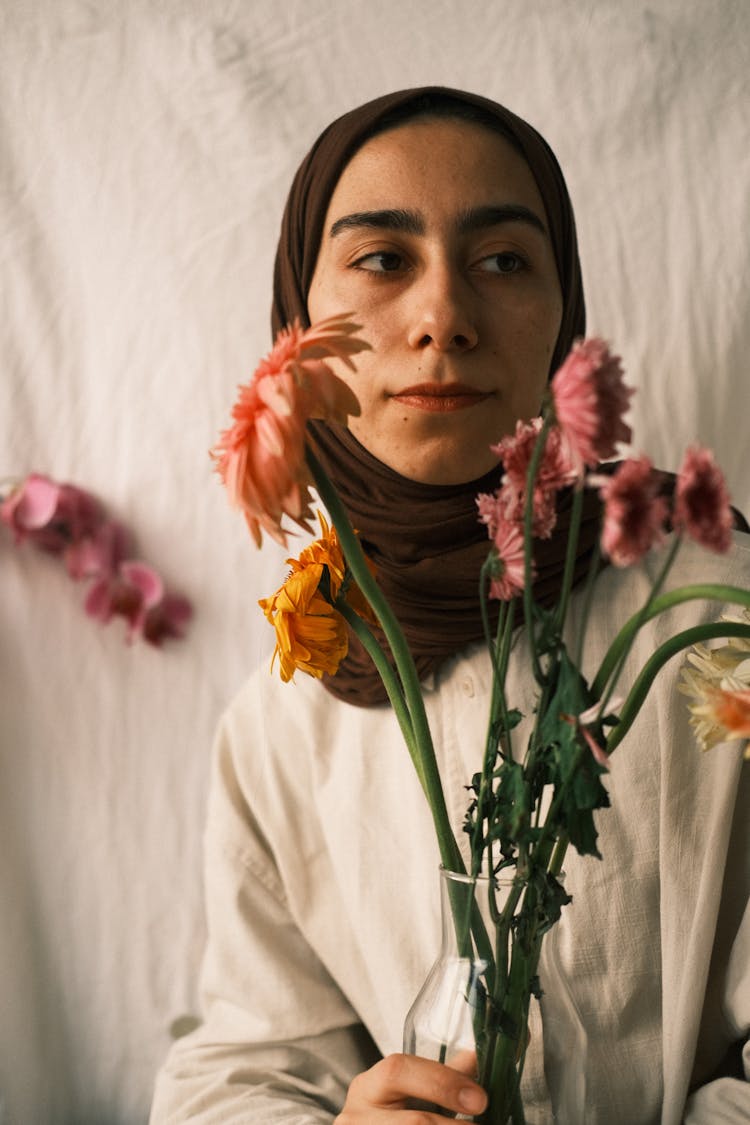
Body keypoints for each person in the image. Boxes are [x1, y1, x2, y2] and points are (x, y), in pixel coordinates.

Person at [150, 88, 750, 1123]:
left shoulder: (714, 626)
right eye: (382, 259)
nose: (442, 319)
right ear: (296, 330)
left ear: (568, 317)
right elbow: (241, 1070)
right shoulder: (282, 717)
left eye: (505, 260)